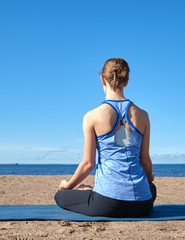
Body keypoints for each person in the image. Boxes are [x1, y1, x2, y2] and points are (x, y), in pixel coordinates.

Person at [54, 58, 156, 217]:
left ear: (102, 79)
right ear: (126, 81)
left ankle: (91, 192)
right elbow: (145, 161)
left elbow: (88, 164)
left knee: (60, 196)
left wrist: (67, 185)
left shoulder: (92, 116)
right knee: (152, 189)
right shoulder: (143, 116)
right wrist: (149, 180)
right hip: (143, 205)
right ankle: (96, 192)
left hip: (108, 204)